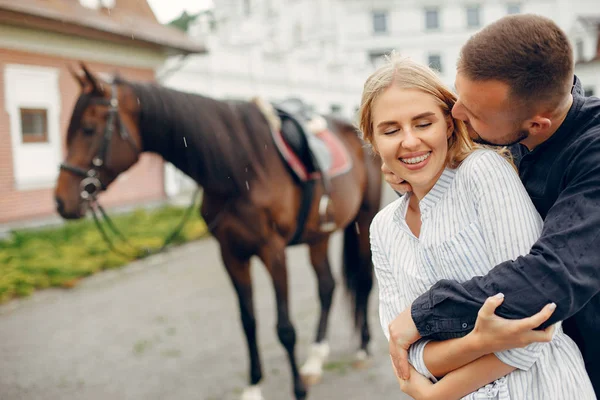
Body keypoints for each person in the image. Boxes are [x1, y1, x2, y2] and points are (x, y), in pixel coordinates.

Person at [382, 13, 600, 396]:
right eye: (458, 96)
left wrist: (424, 313)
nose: (456, 115)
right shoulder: (503, 123)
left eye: (473, 113)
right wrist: (414, 179)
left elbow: (551, 278)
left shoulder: (592, 156)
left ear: (538, 125)